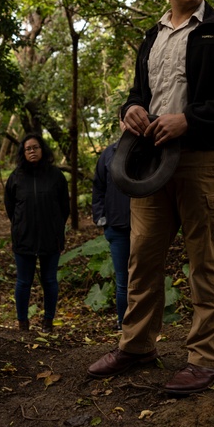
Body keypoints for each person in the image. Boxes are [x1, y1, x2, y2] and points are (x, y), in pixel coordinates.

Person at [87, 0, 214, 395]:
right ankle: (137, 346)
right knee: (142, 256)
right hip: (152, 161)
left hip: (205, 160)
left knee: (206, 259)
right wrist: (131, 109)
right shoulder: (153, 36)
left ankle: (206, 360)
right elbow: (139, 91)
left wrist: (191, 118)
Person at [4, 133, 70, 333]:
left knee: (49, 281)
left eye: (36, 147)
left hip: (51, 238)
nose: (32, 151)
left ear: (43, 149)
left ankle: (48, 322)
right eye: (28, 149)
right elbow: (10, 208)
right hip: (24, 238)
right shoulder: (15, 177)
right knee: (24, 282)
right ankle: (23, 324)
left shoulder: (55, 176)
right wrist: (21, 226)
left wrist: (55, 227)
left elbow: (64, 208)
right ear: (23, 153)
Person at [91, 140, 131, 329]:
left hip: (146, 226)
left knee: (146, 279)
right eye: (123, 119)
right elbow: (98, 187)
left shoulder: (149, 148)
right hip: (117, 227)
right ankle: (123, 322)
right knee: (123, 280)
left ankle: (145, 324)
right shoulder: (108, 153)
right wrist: (101, 218)